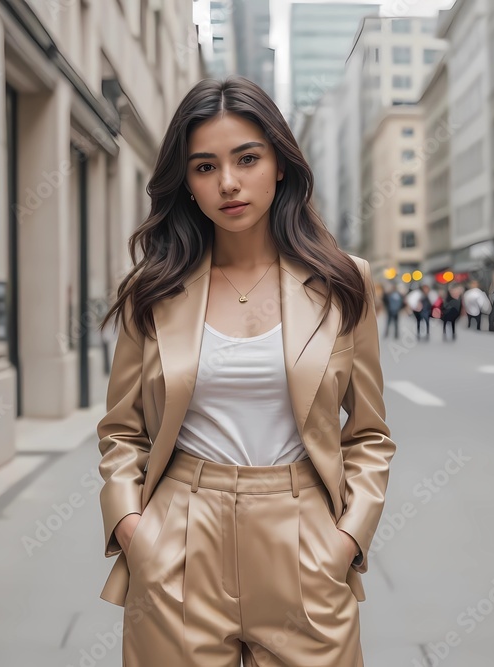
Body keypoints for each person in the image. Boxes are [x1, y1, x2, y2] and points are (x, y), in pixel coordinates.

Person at [94, 77, 397, 665]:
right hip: (179, 537)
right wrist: (132, 526)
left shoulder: (343, 282)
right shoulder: (152, 290)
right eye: (204, 167)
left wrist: (346, 540)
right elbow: (122, 432)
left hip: (304, 536)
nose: (228, 183)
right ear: (186, 182)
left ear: (280, 164)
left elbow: (369, 434)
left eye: (247, 159)